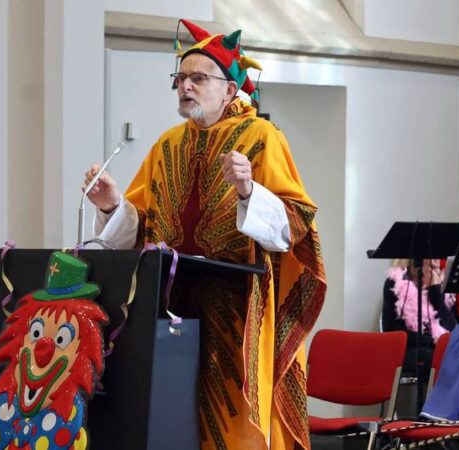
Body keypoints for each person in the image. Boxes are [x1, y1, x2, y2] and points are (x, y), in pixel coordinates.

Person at [81, 19, 326, 450]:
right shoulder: (167, 145)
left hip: (235, 310)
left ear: (230, 90)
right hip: (169, 304)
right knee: (168, 419)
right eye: (180, 78)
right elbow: (142, 223)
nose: (185, 86)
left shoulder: (262, 137)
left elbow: (294, 225)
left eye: (198, 78)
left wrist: (249, 190)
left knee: (229, 427)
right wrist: (111, 205)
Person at [382, 259, 457, 379]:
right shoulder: (395, 283)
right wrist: (430, 341)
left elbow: (452, 327)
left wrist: (436, 295)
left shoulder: (443, 286)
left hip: (440, 348)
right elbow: (391, 330)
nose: (435, 259)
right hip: (410, 349)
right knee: (438, 359)